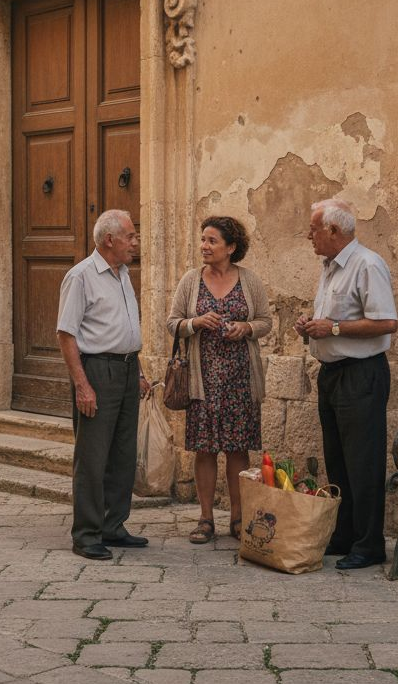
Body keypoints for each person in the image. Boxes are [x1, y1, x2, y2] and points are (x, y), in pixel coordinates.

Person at [293, 199, 398, 571]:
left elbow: (386, 323)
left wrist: (333, 328)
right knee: (337, 459)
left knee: (363, 461)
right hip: (332, 373)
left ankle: (370, 544)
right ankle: (346, 534)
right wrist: (313, 325)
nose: (309, 235)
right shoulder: (329, 267)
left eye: (314, 228)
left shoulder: (367, 265)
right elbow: (333, 318)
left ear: (334, 231)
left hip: (361, 373)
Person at [166, 216, 272, 544]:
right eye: (203, 240)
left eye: (212, 241)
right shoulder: (190, 280)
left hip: (240, 378)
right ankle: (206, 518)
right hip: (202, 379)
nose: (204, 246)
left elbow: (265, 322)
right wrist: (195, 322)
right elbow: (172, 323)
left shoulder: (249, 281)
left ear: (231, 247)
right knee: (205, 450)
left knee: (238, 450)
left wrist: (246, 328)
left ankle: (238, 518)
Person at [57, 210, 151, 561]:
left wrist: (138, 371)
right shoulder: (80, 277)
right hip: (97, 372)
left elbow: (125, 330)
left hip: (126, 371)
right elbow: (66, 334)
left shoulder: (123, 274)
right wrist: (82, 386)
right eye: (131, 236)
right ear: (109, 240)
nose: (136, 242)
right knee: (93, 457)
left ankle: (114, 525)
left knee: (122, 454)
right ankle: (86, 533)